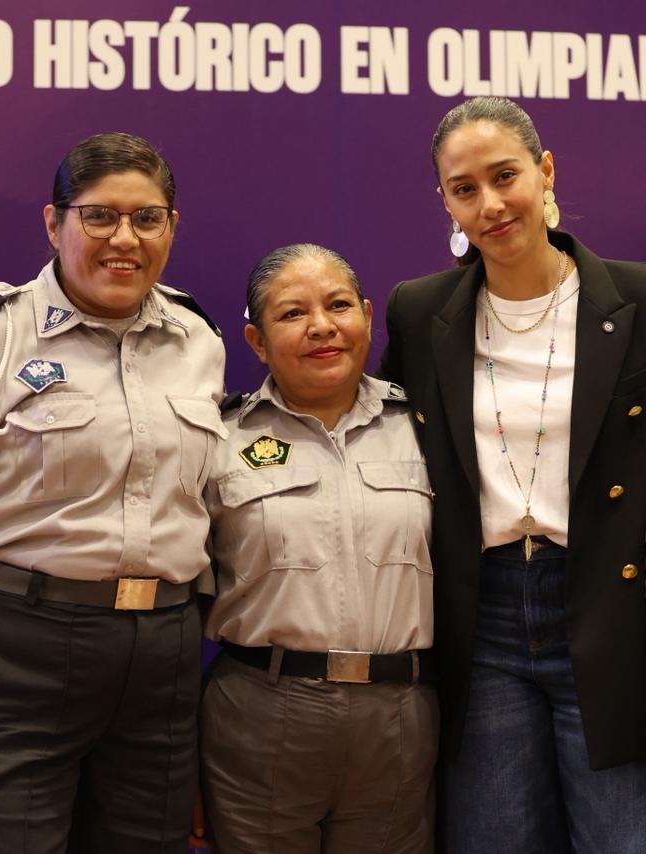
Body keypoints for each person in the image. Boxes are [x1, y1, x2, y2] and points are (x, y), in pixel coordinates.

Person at [378, 96, 646, 853]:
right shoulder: (418, 311)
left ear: (545, 171)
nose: (490, 204)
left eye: (504, 175)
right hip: (481, 618)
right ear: (445, 201)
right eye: (464, 188)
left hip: (613, 609)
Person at [0, 132, 225, 852]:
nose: (125, 239)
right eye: (100, 216)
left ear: (172, 227)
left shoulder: (197, 339)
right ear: (54, 224)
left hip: (163, 655)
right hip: (19, 647)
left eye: (148, 218)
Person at [200, 243, 437, 854]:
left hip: (400, 716)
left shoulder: (426, 429)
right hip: (261, 711)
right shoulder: (219, 441)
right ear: (256, 341)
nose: (322, 327)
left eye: (338, 306)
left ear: (367, 315)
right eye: (292, 313)